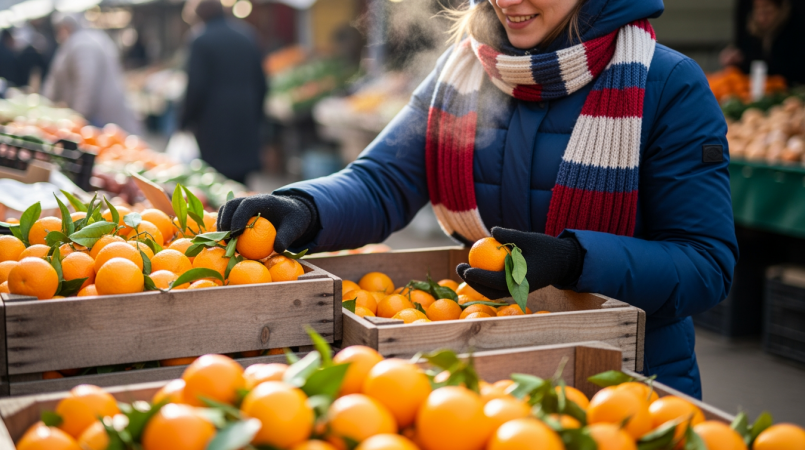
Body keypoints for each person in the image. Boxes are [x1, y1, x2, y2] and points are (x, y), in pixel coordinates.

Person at [217, 0, 738, 398]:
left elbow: (706, 262)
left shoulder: (668, 85)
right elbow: (382, 181)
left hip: (625, 382)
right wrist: (306, 207)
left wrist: (576, 260)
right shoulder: (462, 72)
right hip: (483, 374)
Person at [180, 0, 268, 183]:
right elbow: (262, 82)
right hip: (244, 117)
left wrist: (184, 121)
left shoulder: (200, 40)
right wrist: (256, 115)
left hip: (213, 124)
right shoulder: (247, 34)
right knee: (241, 182)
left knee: (215, 183)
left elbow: (196, 87)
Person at [42, 14, 140, 134]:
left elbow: (86, 86)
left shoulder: (83, 45)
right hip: (101, 119)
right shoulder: (84, 40)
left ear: (67, 26)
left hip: (101, 120)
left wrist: (76, 121)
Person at [720, 0, 805, 85]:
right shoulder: (750, 25)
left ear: (780, 10)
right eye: (758, 13)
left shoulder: (795, 25)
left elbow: (790, 67)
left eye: (768, 12)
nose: (762, 19)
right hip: (753, 86)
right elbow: (743, 51)